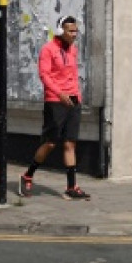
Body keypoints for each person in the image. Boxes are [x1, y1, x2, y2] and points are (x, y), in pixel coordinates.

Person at [20, 16, 90, 200]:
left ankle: (71, 186)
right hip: (55, 101)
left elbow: (73, 74)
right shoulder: (48, 50)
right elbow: (44, 75)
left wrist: (77, 96)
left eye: (76, 31)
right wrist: (60, 94)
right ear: (61, 31)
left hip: (73, 100)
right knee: (51, 143)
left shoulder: (73, 50)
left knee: (70, 143)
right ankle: (28, 175)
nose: (74, 34)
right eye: (71, 31)